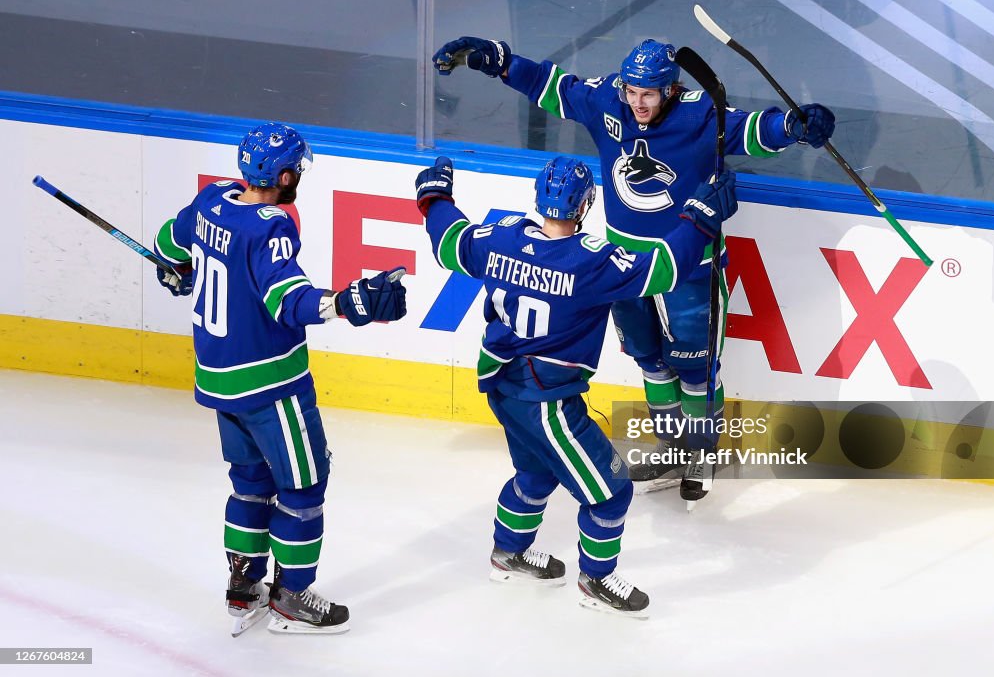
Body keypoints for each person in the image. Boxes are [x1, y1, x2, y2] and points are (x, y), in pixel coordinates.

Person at [431, 36, 836, 500]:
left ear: (670, 90)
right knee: (650, 360)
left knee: (697, 369)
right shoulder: (611, 99)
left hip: (691, 268)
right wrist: (499, 63)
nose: (637, 104)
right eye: (632, 93)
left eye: (648, 95)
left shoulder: (699, 115)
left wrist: (796, 125)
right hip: (623, 266)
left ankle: (701, 454)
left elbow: (752, 131)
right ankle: (670, 450)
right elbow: (554, 86)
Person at [414, 153, 737, 617]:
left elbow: (450, 241)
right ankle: (597, 580)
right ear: (586, 205)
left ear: (538, 198)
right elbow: (663, 269)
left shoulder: (501, 236)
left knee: (536, 475)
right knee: (611, 492)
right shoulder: (590, 261)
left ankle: (508, 553)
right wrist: (700, 221)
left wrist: (435, 196)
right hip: (548, 399)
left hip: (503, 384)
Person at [152, 122, 408, 635]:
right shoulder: (270, 225)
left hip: (220, 380)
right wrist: (347, 302)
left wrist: (173, 266)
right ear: (286, 174)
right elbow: (287, 301)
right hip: (271, 386)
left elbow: (168, 239)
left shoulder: (211, 200)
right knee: (304, 484)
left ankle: (243, 589)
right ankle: (291, 597)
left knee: (249, 485)